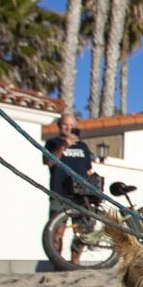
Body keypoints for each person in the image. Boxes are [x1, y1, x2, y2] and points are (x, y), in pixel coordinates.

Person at [43, 113, 95, 265]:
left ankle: (75, 262)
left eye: (72, 125)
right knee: (57, 231)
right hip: (60, 192)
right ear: (59, 126)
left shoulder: (83, 146)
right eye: (65, 125)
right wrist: (64, 145)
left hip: (80, 193)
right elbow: (48, 162)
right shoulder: (52, 143)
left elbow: (88, 170)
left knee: (82, 230)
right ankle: (58, 263)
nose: (68, 128)